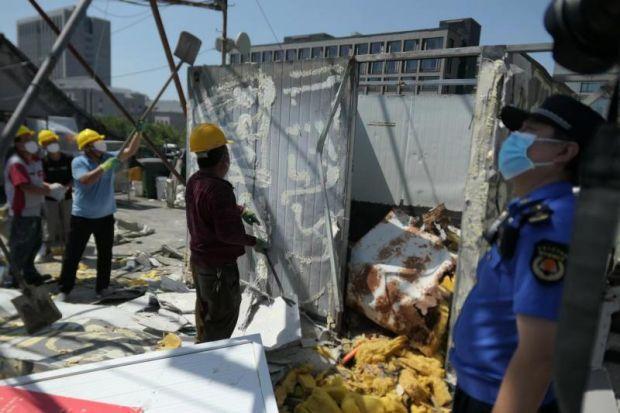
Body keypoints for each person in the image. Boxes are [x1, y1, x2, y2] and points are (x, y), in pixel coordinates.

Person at [450, 95, 605, 413]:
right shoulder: (534, 209)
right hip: (483, 388)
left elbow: (539, 355)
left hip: (503, 397)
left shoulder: (552, 223)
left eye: (529, 132)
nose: (513, 141)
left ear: (565, 152)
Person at [185, 123, 268, 343]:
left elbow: (208, 209)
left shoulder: (195, 181)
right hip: (218, 268)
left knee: (206, 311)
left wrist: (239, 210)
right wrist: (254, 241)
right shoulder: (219, 189)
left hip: (200, 262)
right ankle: (212, 362)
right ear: (224, 158)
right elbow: (227, 234)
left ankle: (201, 347)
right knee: (223, 317)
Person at [56, 127, 142, 301]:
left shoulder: (108, 157)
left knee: (105, 254)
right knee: (73, 254)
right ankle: (65, 289)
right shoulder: (79, 162)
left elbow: (130, 150)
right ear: (87, 147)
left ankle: (102, 287)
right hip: (82, 217)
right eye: (97, 142)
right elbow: (86, 180)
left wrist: (138, 133)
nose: (101, 144)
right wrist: (103, 168)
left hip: (105, 216)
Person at [3, 126, 62, 287]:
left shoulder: (34, 160)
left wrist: (50, 186)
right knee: (21, 245)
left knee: (34, 243)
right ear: (17, 144)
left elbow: (35, 182)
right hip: (22, 210)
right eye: (25, 139)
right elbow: (24, 186)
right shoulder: (16, 163)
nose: (30, 142)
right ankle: (16, 278)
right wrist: (48, 191)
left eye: (30, 138)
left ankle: (29, 273)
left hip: (36, 207)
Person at [36, 129, 73, 262]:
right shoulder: (42, 162)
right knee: (49, 223)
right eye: (47, 143)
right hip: (49, 197)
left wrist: (67, 187)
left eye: (52, 141)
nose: (51, 144)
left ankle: (70, 250)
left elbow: (74, 176)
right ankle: (46, 250)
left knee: (68, 223)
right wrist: (50, 187)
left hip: (67, 196)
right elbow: (39, 179)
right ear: (43, 146)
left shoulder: (68, 159)